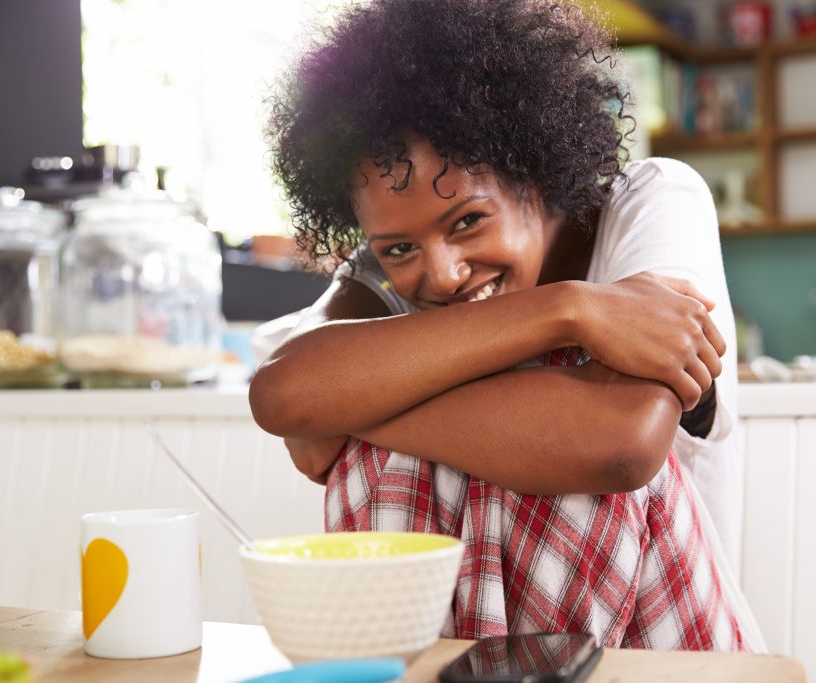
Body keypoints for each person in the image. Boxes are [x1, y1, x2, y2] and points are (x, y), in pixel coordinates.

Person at [250, 0, 761, 650]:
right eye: (399, 248)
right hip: (465, 651)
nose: (440, 274)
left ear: (536, 169)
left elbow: (619, 443)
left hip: (658, 647)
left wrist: (355, 402)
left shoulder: (653, 201)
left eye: (467, 221)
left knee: (395, 439)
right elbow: (284, 396)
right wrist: (568, 309)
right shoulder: (383, 266)